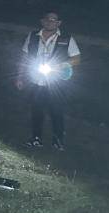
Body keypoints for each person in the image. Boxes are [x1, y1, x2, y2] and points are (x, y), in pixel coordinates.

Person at [16, 11, 81, 151]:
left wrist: (60, 65)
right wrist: (20, 76)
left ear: (58, 23)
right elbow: (24, 57)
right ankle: (36, 138)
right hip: (36, 80)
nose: (50, 22)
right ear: (42, 21)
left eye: (53, 20)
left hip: (56, 82)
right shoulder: (33, 36)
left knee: (56, 111)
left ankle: (58, 141)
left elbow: (76, 59)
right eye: (47, 19)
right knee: (36, 110)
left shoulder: (66, 39)